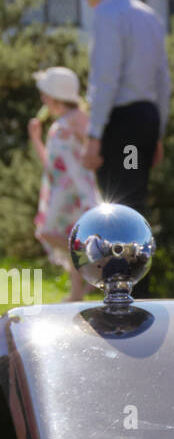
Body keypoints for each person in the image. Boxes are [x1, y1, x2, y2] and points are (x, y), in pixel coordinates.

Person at [73, 0, 171, 218]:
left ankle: (119, 261)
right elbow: (163, 81)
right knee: (136, 201)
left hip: (121, 123)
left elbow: (106, 79)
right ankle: (137, 259)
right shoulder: (149, 16)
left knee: (115, 205)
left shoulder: (107, 16)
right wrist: (158, 132)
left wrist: (94, 135)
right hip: (146, 120)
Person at [28, 67, 99, 301]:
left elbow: (93, 151)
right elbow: (50, 165)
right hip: (61, 195)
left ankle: (87, 279)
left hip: (77, 193)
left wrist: (80, 133)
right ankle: (79, 287)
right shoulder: (57, 126)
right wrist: (36, 138)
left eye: (45, 93)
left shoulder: (79, 119)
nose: (42, 98)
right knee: (56, 234)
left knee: (63, 235)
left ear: (56, 96)